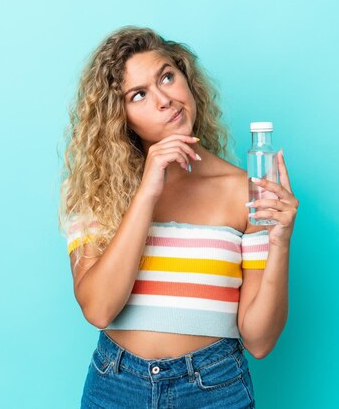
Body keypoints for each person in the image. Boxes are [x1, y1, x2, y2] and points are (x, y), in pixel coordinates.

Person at [58, 25, 299, 408]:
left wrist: (280, 242)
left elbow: (259, 340)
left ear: (187, 79)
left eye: (167, 77)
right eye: (139, 95)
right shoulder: (95, 189)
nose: (164, 100)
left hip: (213, 388)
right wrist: (147, 192)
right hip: (116, 387)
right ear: (121, 118)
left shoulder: (243, 192)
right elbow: (99, 309)